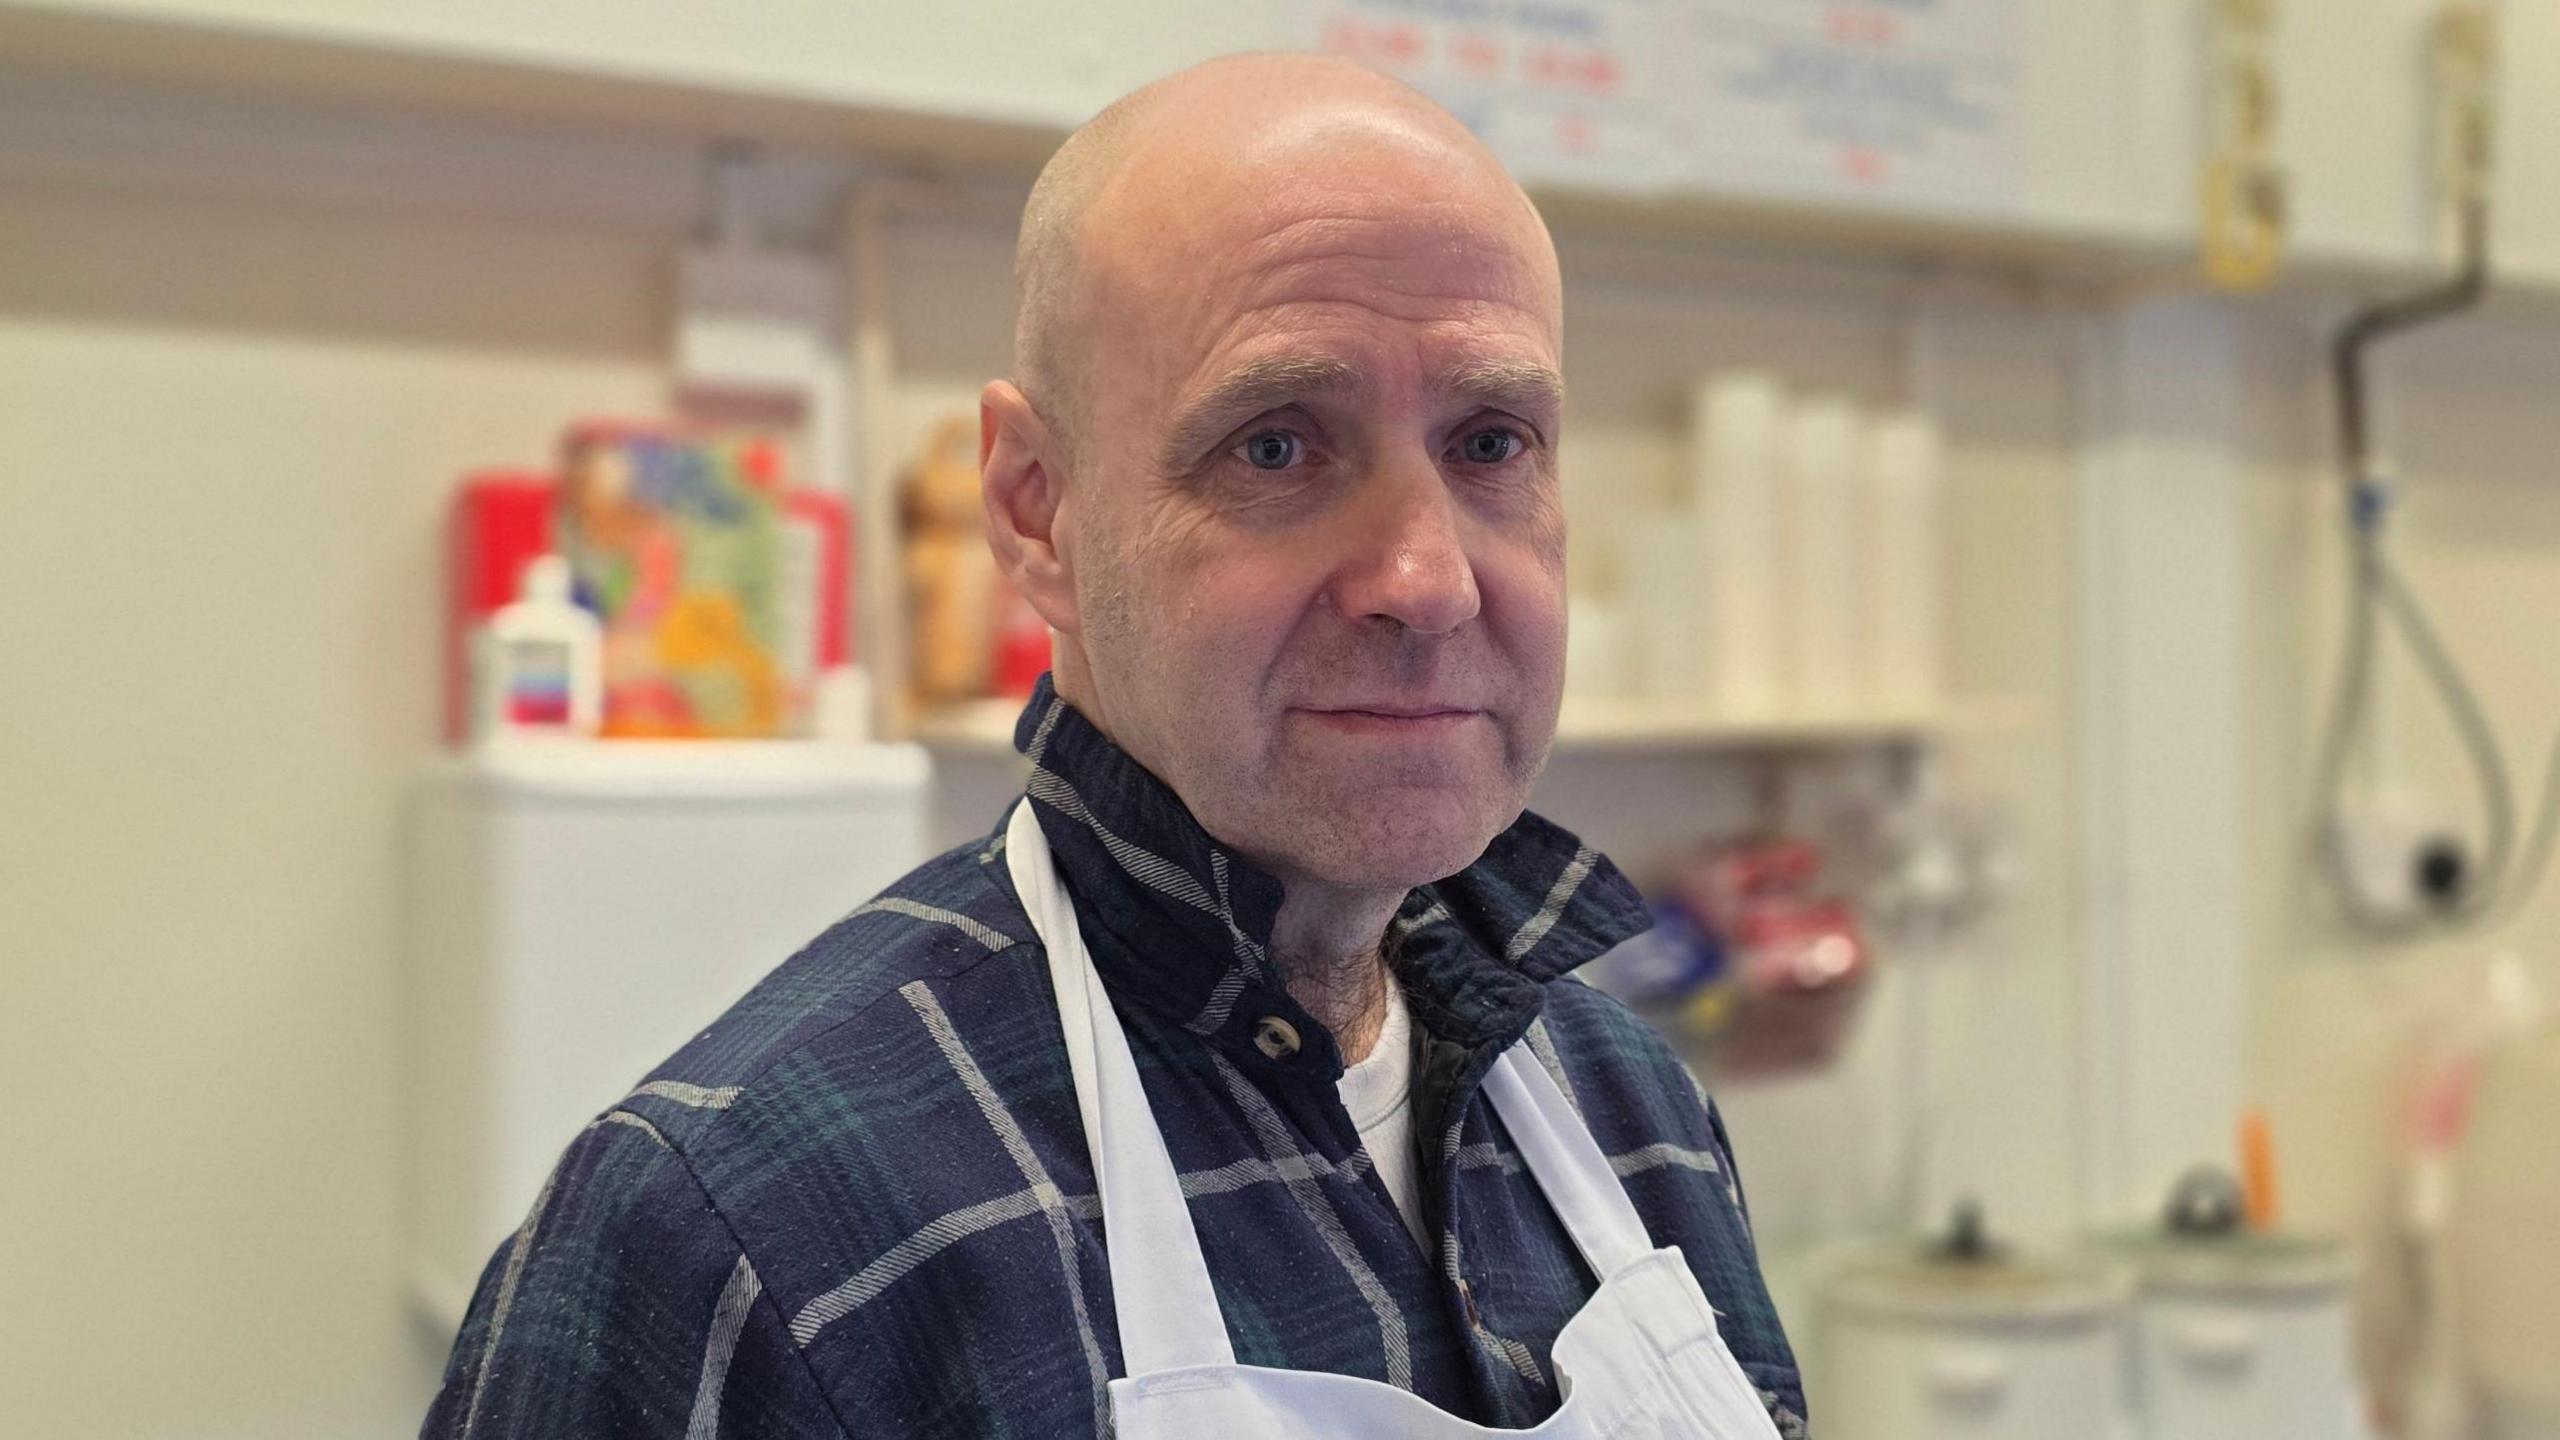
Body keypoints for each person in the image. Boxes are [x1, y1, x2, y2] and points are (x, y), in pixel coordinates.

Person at [424, 51, 1805, 1438]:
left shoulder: (1638, 1116)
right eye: (1277, 448)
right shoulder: (740, 1240)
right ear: (1038, 513)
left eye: (1494, 441)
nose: (1428, 578)